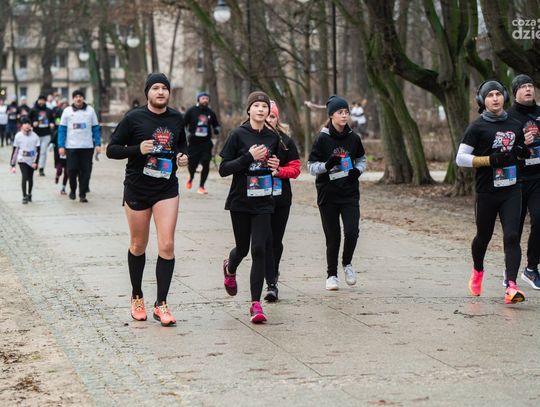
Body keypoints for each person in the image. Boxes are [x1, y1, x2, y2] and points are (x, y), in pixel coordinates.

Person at [106, 73, 188, 327]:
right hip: (137, 189)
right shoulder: (133, 118)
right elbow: (111, 150)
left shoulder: (176, 118)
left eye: (164, 88)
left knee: (167, 245)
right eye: (155, 88)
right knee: (138, 245)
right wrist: (137, 149)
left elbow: (182, 146)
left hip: (166, 188)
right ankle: (137, 296)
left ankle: (161, 303)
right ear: (148, 93)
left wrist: (183, 157)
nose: (161, 92)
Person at [456, 80, 531, 304]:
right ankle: (478, 270)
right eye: (490, 95)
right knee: (483, 237)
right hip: (487, 191)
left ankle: (511, 286)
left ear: (504, 97)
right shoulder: (477, 127)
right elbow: (460, 158)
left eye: (498, 94)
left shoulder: (515, 124)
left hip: (512, 189)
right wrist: (489, 160)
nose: (495, 98)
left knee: (512, 236)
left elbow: (520, 152)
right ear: (482, 100)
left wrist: (522, 151)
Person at [219, 91, 280, 323]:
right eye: (256, 106)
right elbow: (223, 169)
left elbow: (275, 164)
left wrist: (275, 164)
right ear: (249, 110)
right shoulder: (237, 134)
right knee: (243, 249)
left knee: (259, 250)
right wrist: (249, 157)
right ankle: (230, 267)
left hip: (264, 201)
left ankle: (256, 304)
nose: (261, 110)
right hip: (241, 201)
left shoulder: (273, 137)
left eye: (264, 106)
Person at [307, 95, 367, 291]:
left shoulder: (354, 138)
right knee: (333, 237)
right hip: (328, 194)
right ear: (331, 115)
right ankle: (331, 275)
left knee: (352, 232)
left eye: (346, 112)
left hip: (349, 193)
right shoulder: (322, 139)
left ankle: (347, 264)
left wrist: (357, 171)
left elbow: (362, 159)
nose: (344, 115)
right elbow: (310, 166)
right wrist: (326, 165)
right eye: (340, 112)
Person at [263, 101, 301, 302]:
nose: (268, 119)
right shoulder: (251, 139)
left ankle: (273, 273)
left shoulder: (286, 142)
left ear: (277, 119)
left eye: (272, 116)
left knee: (275, 241)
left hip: (281, 198)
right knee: (265, 241)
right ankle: (271, 283)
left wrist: (279, 171)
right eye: (265, 115)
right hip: (258, 199)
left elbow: (296, 169)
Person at [507, 74, 540, 289]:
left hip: (538, 178)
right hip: (516, 179)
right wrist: (521, 143)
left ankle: (531, 268)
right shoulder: (508, 117)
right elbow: (502, 148)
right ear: (515, 92)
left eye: (530, 85)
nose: (528, 89)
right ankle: (510, 271)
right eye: (523, 86)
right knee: (514, 230)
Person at [57, 89, 101, 202]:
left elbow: (96, 128)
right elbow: (62, 129)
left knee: (85, 171)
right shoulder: (67, 111)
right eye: (76, 97)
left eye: (80, 96)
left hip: (87, 146)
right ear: (73, 99)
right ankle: (73, 189)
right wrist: (61, 146)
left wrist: (98, 144)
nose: (78, 98)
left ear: (83, 98)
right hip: (71, 146)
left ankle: (82, 194)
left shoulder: (90, 111)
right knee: (71, 170)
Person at [184, 91, 220, 194]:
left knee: (206, 163)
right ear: (198, 99)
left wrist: (217, 130)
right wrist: (186, 135)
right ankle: (191, 177)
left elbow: (216, 125)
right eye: (203, 98)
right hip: (193, 143)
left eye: (207, 99)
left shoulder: (211, 112)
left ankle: (201, 186)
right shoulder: (191, 111)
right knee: (192, 165)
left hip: (206, 143)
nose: (205, 100)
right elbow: (183, 124)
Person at [10, 117, 40, 204]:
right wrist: (12, 164)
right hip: (22, 159)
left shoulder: (35, 136)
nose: (27, 125)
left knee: (30, 178)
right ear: (21, 125)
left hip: (32, 160)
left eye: (28, 124)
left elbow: (38, 150)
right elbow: (15, 150)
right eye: (25, 124)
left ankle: (29, 193)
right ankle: (24, 196)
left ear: (30, 125)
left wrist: (36, 162)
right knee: (25, 176)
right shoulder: (18, 136)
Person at [29, 95, 55, 176]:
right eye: (40, 100)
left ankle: (41, 168)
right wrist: (32, 124)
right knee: (35, 151)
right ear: (38, 100)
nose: (41, 101)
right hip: (36, 134)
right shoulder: (33, 110)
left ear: (45, 101)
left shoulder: (49, 110)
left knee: (43, 152)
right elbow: (27, 120)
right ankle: (34, 164)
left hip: (46, 134)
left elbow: (53, 120)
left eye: (43, 100)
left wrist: (52, 123)